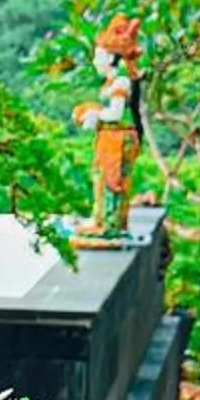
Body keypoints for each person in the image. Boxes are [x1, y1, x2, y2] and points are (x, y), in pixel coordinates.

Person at [72, 14, 144, 241]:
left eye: (99, 55)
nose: (95, 60)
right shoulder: (114, 82)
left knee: (112, 181)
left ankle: (109, 225)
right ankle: (102, 220)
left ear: (111, 57)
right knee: (103, 178)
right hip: (111, 138)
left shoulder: (121, 82)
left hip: (117, 139)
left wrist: (93, 113)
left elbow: (115, 114)